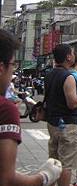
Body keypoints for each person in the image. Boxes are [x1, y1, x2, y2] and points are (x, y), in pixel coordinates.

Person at [0, 30, 63, 186]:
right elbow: (5, 179)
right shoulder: (5, 110)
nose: (13, 71)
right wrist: (45, 176)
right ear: (2, 68)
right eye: (13, 65)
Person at [45, 43, 77, 186]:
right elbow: (72, 103)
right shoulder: (69, 77)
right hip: (68, 125)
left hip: (53, 123)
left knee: (54, 161)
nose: (73, 55)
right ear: (68, 57)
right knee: (67, 164)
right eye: (72, 53)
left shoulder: (49, 75)